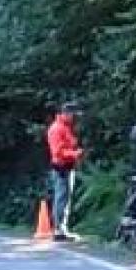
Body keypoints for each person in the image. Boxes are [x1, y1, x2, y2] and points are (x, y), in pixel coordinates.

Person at [47, 101, 85, 241]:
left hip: (68, 167)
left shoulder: (66, 127)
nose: (75, 118)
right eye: (73, 115)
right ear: (66, 114)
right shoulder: (57, 129)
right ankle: (58, 230)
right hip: (61, 167)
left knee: (65, 198)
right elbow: (57, 152)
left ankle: (62, 228)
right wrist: (75, 154)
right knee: (62, 199)